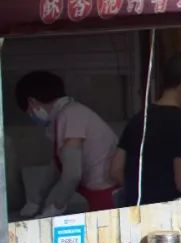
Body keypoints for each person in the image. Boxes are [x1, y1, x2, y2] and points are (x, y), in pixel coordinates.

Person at [111, 51, 181, 206]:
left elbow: (115, 170)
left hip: (135, 214)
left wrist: (144, 192)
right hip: (169, 216)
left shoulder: (139, 119)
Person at [14, 71, 120, 216]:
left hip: (106, 196)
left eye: (28, 111)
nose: (31, 115)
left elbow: (72, 174)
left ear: (31, 102)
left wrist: (57, 208)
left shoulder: (72, 115)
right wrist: (36, 200)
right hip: (97, 194)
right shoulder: (63, 117)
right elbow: (57, 165)